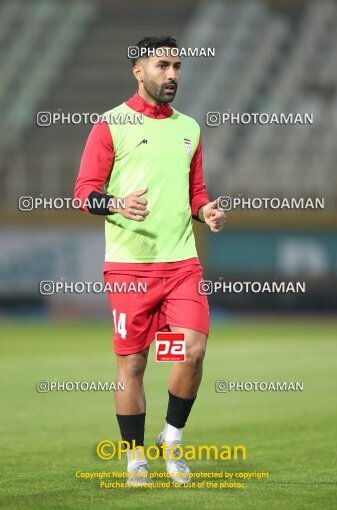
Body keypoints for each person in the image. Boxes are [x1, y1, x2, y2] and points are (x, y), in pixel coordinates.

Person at [74, 35, 226, 486]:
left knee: (190, 351)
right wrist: (118, 203)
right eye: (163, 66)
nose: (173, 75)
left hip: (181, 265)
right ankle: (135, 458)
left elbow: (195, 191)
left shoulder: (189, 128)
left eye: (178, 66)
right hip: (129, 269)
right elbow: (84, 193)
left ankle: (172, 440)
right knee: (134, 364)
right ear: (138, 71)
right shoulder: (110, 125)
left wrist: (206, 211)